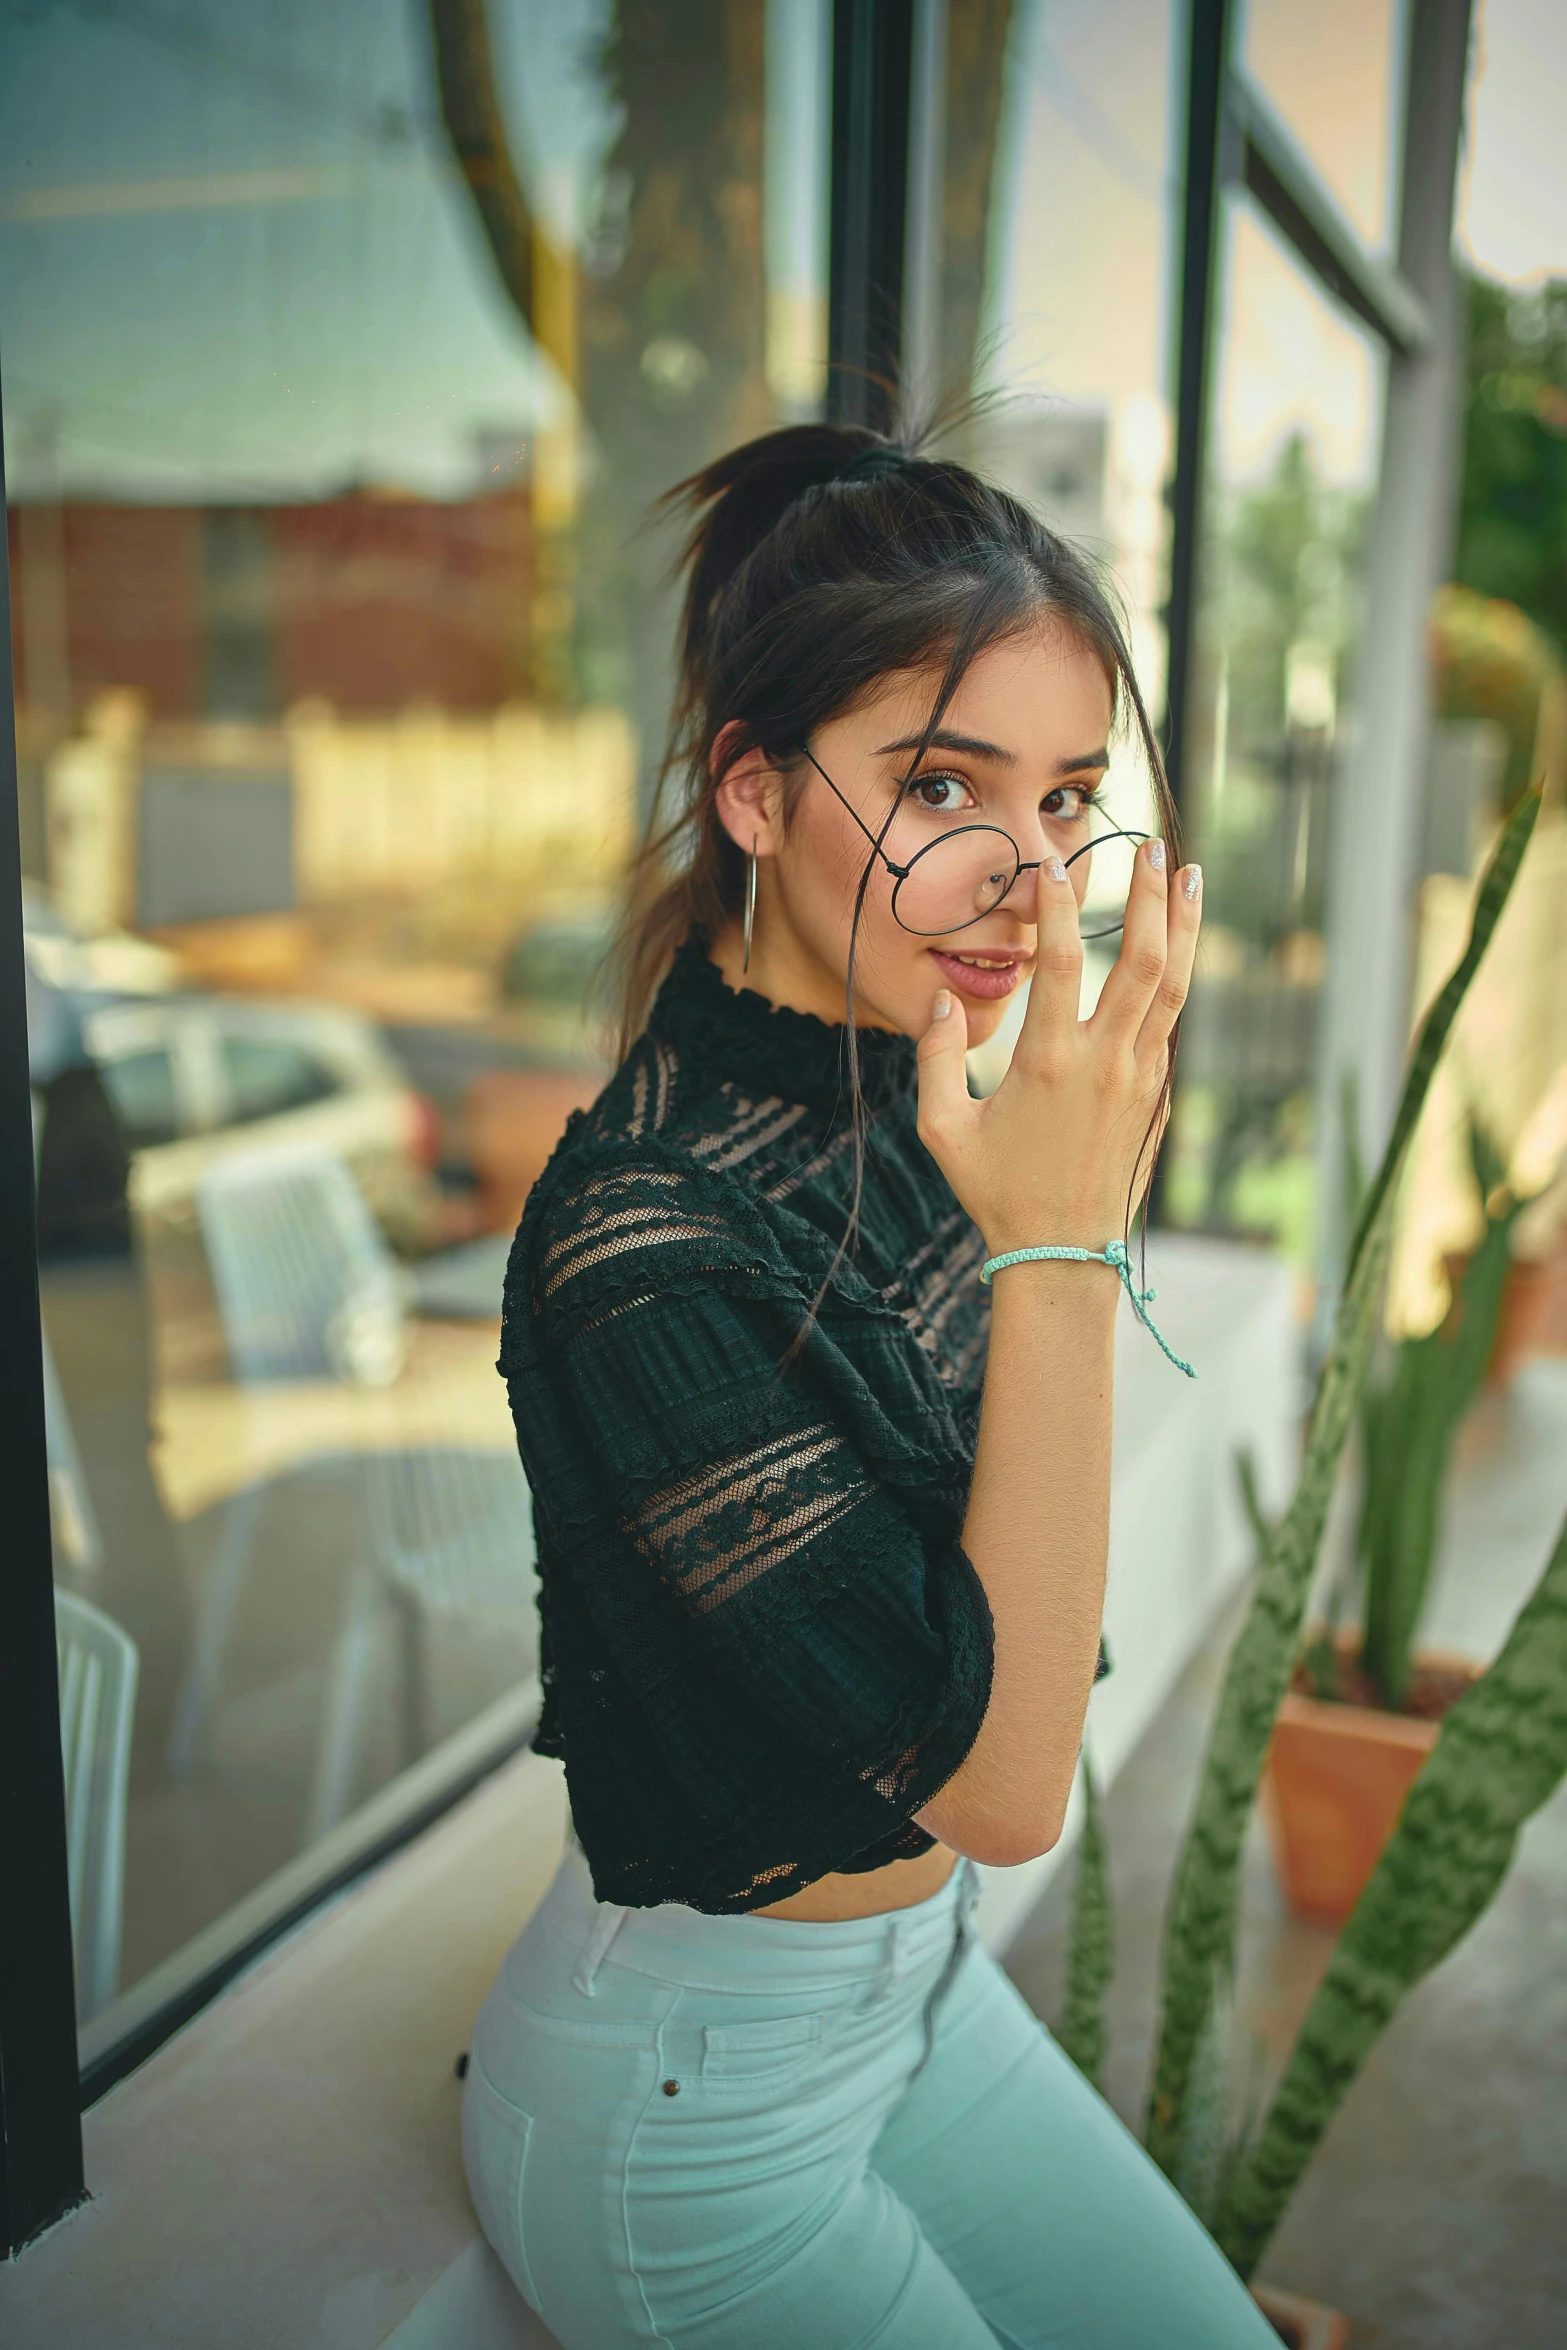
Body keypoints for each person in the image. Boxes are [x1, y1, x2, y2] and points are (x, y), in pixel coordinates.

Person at [464, 424, 1277, 2347]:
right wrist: (1064, 1247)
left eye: (1070, 791)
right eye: (937, 783)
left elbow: (1017, 1614)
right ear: (752, 795)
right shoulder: (639, 1237)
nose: (1024, 874)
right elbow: (998, 1779)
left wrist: (1037, 1211)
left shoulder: (923, 1086)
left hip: (917, 2007)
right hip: (687, 2120)